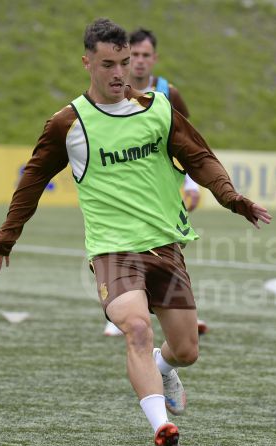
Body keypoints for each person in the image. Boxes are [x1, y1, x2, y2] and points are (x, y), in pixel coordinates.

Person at [0, 18, 271, 446]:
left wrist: (233, 199)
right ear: (87, 63)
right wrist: (6, 238)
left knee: (187, 351)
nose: (119, 73)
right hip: (112, 252)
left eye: (124, 63)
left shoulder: (158, 109)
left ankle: (164, 367)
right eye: (109, 64)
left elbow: (200, 158)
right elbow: (33, 180)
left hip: (164, 248)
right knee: (135, 327)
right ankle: (162, 428)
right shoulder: (68, 124)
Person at [103, 27, 204, 337]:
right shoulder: (111, 89)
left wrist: (192, 183)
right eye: (135, 55)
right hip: (122, 187)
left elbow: (188, 139)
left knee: (164, 247)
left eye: (147, 55)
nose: (140, 61)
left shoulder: (167, 92)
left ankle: (177, 313)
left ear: (155, 58)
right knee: (124, 244)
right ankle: (120, 313)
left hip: (160, 188)